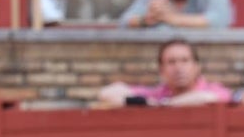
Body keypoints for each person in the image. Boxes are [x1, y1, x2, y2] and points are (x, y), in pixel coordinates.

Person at [96, 39, 233, 108]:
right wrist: (144, 102)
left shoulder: (214, 90)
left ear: (197, 67)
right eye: (171, 62)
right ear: (161, 70)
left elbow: (209, 98)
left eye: (185, 61)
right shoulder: (157, 94)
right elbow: (107, 93)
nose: (179, 68)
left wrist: (165, 105)